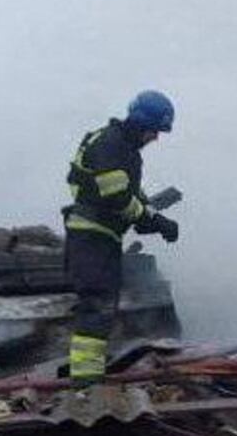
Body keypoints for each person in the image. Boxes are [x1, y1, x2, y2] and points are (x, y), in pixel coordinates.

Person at [62, 90, 179, 381]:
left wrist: (149, 215)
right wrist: (155, 221)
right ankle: (86, 384)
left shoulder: (115, 143)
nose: (156, 138)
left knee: (100, 307)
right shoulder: (113, 146)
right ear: (142, 124)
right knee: (97, 308)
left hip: (99, 236)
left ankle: (88, 377)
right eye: (155, 131)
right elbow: (117, 198)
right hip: (92, 238)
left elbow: (128, 194)